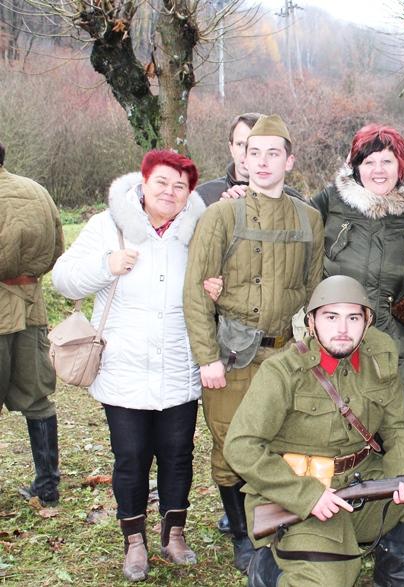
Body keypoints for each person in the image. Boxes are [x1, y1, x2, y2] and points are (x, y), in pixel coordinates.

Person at [224, 275, 404, 587]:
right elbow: (241, 446)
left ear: (367, 321)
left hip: (362, 483)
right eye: (331, 317)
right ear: (312, 322)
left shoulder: (379, 356)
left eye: (353, 318)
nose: (343, 328)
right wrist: (307, 496)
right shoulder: (282, 372)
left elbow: (397, 425)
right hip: (300, 493)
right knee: (333, 580)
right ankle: (268, 567)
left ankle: (392, 567)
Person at [52, 150, 205, 582]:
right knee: (131, 456)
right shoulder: (109, 226)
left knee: (178, 454)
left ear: (189, 193)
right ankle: (134, 539)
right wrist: (106, 267)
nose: (170, 192)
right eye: (162, 182)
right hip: (124, 367)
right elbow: (62, 278)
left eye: (179, 186)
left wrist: (215, 287)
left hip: (179, 364)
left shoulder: (197, 231)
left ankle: (174, 532)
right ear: (144, 182)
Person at [183, 114, 324, 573]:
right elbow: (195, 290)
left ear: (289, 161)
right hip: (233, 355)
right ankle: (242, 534)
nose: (262, 162)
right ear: (242, 157)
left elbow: (313, 289)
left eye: (273, 154)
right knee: (231, 444)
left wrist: (310, 350)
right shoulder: (221, 215)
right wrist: (207, 357)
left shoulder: (309, 218)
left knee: (282, 440)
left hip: (286, 354)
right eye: (254, 152)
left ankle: (277, 523)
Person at [311, 124, 404, 415]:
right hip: (336, 343)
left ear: (401, 166)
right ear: (356, 167)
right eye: (369, 162)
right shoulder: (330, 201)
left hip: (398, 347)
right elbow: (289, 222)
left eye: (387, 161)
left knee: (392, 433)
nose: (378, 170)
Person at [0, 140, 64, 508]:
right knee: (38, 399)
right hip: (30, 308)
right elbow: (56, 249)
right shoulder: (38, 192)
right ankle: (48, 485)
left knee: (39, 398)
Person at [195, 112, 305, 207]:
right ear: (231, 148)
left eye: (254, 147)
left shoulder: (293, 200)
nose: (245, 153)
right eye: (240, 144)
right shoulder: (203, 196)